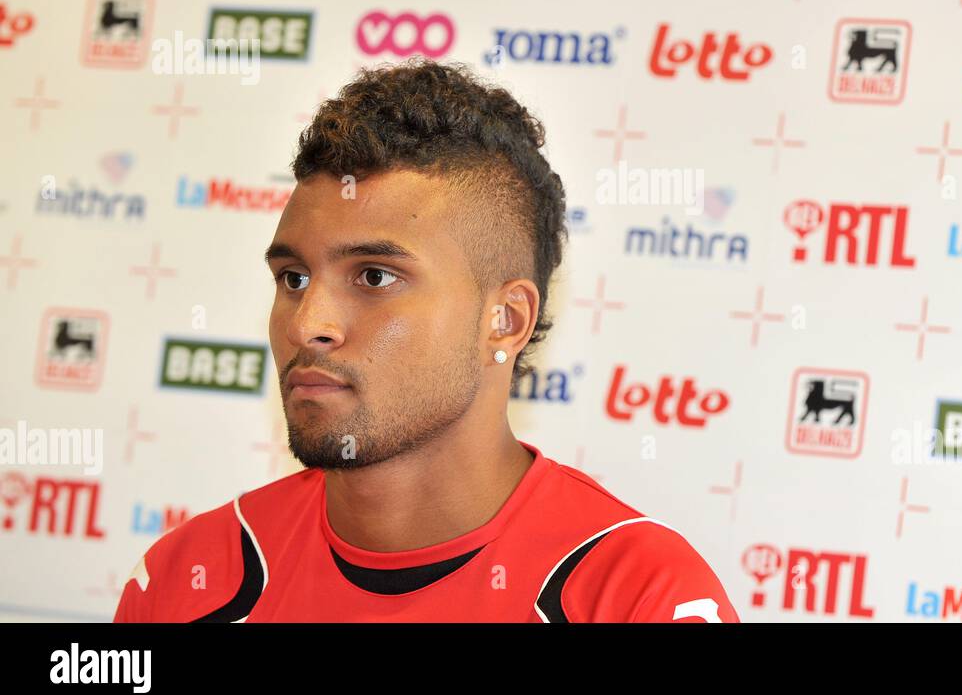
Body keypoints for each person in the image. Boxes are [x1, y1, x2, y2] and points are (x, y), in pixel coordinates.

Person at [114, 58, 738, 622]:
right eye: (294, 278)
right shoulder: (185, 580)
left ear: (507, 319)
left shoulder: (638, 598)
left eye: (375, 277)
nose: (308, 324)